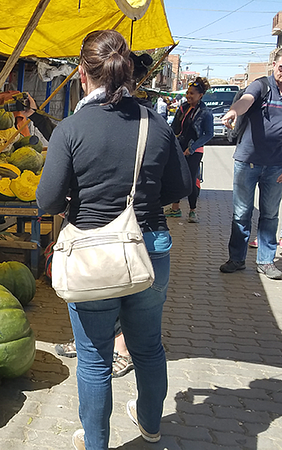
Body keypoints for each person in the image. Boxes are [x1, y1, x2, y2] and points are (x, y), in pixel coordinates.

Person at [36, 30, 192, 450]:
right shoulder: (154, 123)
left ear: (82, 73)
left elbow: (47, 200)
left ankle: (96, 442)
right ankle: (150, 424)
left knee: (93, 358)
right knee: (147, 347)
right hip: (149, 249)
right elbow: (179, 187)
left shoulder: (70, 130)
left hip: (91, 257)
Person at [219, 48, 282, 279]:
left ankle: (266, 261)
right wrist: (233, 111)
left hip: (276, 166)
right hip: (248, 163)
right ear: (274, 66)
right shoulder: (262, 85)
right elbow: (247, 99)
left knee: (270, 215)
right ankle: (236, 259)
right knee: (242, 213)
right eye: (281, 67)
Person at [164, 77, 214, 223]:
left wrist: (192, 148)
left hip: (194, 150)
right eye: (188, 93)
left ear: (200, 95)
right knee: (177, 177)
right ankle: (175, 208)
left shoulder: (205, 112)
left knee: (191, 179)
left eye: (192, 93)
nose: (189, 96)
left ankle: (192, 211)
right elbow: (174, 128)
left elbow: (209, 134)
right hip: (179, 147)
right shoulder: (183, 108)